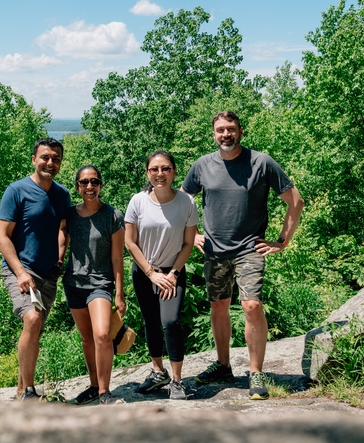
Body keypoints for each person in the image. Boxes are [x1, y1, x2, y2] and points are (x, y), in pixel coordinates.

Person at [182, 111, 304, 400]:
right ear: (213, 134)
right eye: (220, 130)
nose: (226, 134)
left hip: (250, 247)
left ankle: (256, 372)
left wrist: (282, 241)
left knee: (251, 306)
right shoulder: (202, 165)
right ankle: (223, 365)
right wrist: (193, 233)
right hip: (214, 249)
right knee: (219, 306)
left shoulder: (261, 162)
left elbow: (296, 201)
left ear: (241, 131)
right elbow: (183, 200)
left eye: (231, 129)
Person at [0, 137, 71, 400]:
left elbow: (63, 229)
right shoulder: (16, 191)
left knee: (35, 328)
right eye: (45, 157)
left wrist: (60, 260)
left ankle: (20, 389)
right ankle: (29, 391)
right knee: (32, 319)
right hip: (21, 270)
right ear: (34, 159)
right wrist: (20, 272)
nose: (50, 163)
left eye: (56, 159)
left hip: (48, 273)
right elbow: (3, 236)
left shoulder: (62, 194)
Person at [125, 150, 199, 400]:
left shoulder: (186, 203)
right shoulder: (138, 201)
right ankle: (158, 372)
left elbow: (188, 243)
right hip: (144, 272)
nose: (160, 174)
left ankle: (177, 381)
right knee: (150, 322)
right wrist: (151, 273)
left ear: (174, 171)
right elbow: (130, 242)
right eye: (154, 169)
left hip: (173, 273)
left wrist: (174, 273)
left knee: (170, 322)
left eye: (165, 168)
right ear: (148, 173)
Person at [63, 165, 126, 406]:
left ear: (101, 185)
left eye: (94, 182)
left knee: (102, 335)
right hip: (73, 283)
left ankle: (105, 392)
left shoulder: (112, 215)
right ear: (78, 186)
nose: (90, 187)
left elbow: (117, 257)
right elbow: (60, 241)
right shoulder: (68, 215)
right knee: (87, 338)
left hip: (100, 284)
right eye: (84, 183)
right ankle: (93, 386)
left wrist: (119, 294)